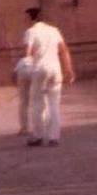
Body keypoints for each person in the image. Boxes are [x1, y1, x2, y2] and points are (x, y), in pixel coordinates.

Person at [23, 8, 75, 147]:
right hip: (55, 68)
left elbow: (28, 53)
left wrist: (24, 71)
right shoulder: (54, 30)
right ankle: (54, 137)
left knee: (37, 103)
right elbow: (63, 50)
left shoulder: (31, 32)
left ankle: (38, 136)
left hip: (39, 69)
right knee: (54, 103)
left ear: (30, 18)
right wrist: (68, 70)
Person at [12, 56, 34, 136]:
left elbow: (14, 75)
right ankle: (42, 127)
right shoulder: (40, 56)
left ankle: (24, 128)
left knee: (23, 103)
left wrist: (17, 87)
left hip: (22, 72)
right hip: (35, 70)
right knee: (39, 101)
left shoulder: (21, 61)